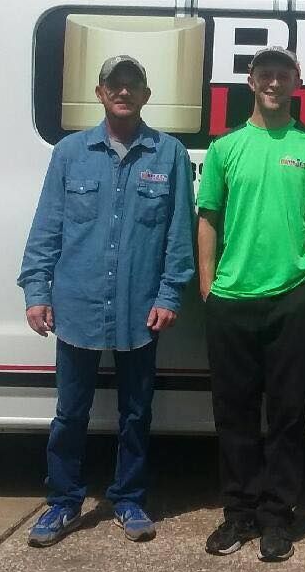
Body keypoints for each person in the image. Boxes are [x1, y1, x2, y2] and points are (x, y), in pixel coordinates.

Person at [18, 55, 195, 546]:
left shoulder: (169, 155)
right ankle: (63, 501)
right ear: (99, 93)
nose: (123, 91)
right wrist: (37, 290)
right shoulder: (70, 152)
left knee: (136, 413)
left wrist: (169, 293)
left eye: (132, 83)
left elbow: (178, 237)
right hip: (76, 305)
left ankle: (129, 498)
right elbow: (47, 227)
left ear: (145, 94)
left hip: (141, 309)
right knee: (70, 413)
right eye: (114, 84)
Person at [197, 46, 305, 562]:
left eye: (283, 74)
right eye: (265, 74)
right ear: (250, 80)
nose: (274, 82)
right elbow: (208, 218)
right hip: (230, 299)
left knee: (287, 415)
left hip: (289, 298)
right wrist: (207, 286)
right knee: (232, 414)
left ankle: (277, 517)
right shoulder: (225, 148)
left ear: (296, 82)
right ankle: (237, 513)